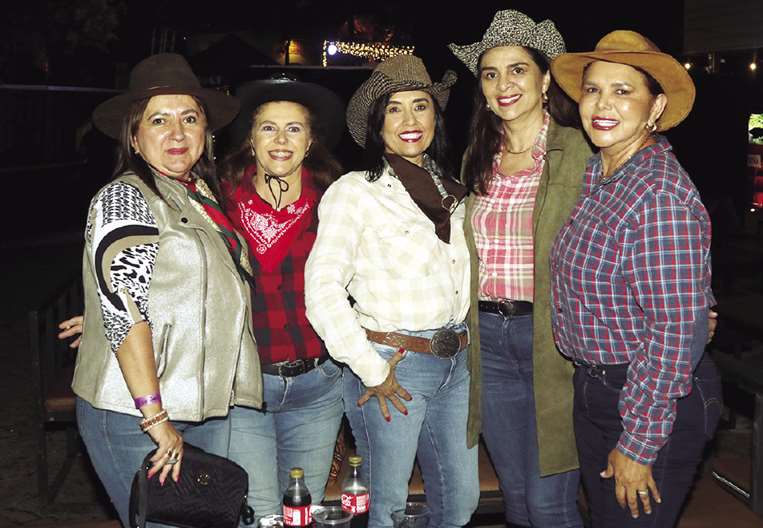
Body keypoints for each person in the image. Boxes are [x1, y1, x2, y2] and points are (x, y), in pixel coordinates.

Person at [70, 53, 261, 527]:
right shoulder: (127, 196)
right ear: (134, 136)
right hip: (137, 413)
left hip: (205, 406)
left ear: (206, 133)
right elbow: (123, 309)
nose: (177, 133)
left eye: (189, 119)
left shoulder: (200, 195)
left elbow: (195, 289)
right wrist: (155, 418)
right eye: (159, 120)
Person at [549, 30, 722, 527]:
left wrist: (640, 442)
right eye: (593, 89)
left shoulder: (658, 195)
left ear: (655, 106)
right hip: (600, 388)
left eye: (623, 91)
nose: (602, 104)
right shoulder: (602, 174)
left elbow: (675, 330)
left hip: (648, 396)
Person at [304, 55, 480, 528]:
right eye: (394, 109)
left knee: (459, 504)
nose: (409, 120)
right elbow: (321, 289)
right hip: (393, 367)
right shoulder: (354, 192)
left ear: (435, 117)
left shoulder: (454, 192)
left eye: (420, 106)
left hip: (456, 365)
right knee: (387, 509)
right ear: (376, 123)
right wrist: (370, 369)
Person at [448, 10, 590, 527]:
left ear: (545, 78)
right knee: (517, 500)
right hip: (489, 338)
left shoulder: (579, 151)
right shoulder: (477, 157)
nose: (503, 84)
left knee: (550, 502)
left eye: (517, 70)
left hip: (553, 340)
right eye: (491, 74)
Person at [217, 74, 345, 523]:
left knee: (301, 513)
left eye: (294, 128)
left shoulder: (336, 198)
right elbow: (174, 262)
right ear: (250, 139)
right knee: (259, 515)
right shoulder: (218, 199)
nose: (281, 139)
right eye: (268, 127)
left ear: (310, 142)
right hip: (245, 385)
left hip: (317, 385)